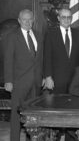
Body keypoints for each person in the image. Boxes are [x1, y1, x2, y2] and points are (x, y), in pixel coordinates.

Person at [4, 9, 43, 141]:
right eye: (24, 19)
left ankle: (32, 138)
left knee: (33, 115)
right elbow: (8, 60)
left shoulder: (38, 35)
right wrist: (8, 81)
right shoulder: (12, 36)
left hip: (36, 82)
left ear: (33, 20)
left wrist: (43, 76)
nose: (27, 22)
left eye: (30, 19)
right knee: (16, 115)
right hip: (18, 82)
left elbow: (40, 59)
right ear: (19, 21)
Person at [43, 8, 79, 94]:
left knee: (75, 105)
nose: (66, 19)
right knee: (58, 105)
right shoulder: (50, 34)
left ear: (72, 18)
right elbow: (47, 57)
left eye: (69, 17)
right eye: (63, 17)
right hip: (57, 80)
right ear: (58, 18)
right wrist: (48, 77)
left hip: (75, 79)